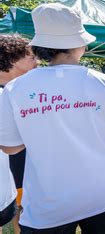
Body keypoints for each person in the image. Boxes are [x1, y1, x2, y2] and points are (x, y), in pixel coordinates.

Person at [0, 3, 105, 232]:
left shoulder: (15, 89)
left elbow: (10, 147)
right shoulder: (104, 82)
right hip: (103, 195)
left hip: (48, 206)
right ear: (79, 44)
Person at [0, 35, 38, 232]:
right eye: (31, 57)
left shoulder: (15, 90)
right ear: (13, 59)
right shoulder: (4, 95)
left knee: (21, 212)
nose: (37, 62)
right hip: (11, 173)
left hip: (14, 178)